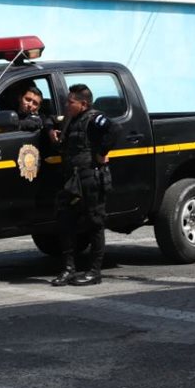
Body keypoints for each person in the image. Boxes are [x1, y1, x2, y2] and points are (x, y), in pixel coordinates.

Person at [48, 84, 117, 287]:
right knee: (65, 220)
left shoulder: (94, 118)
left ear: (84, 104)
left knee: (95, 222)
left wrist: (101, 152)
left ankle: (95, 272)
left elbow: (114, 129)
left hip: (91, 177)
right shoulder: (71, 120)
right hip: (73, 179)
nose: (67, 105)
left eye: (71, 102)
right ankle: (69, 269)